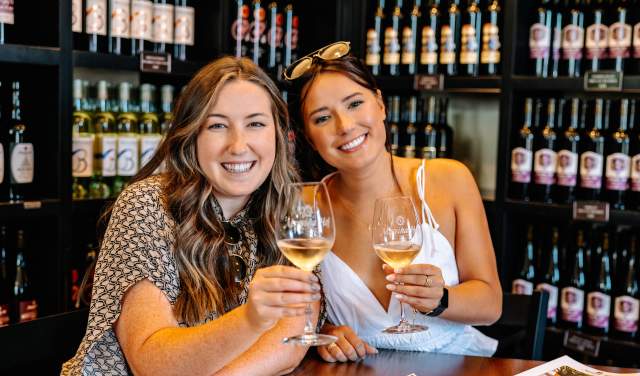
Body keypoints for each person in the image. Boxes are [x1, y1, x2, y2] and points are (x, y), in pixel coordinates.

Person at [62, 57, 321, 375]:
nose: (238, 146)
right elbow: (152, 363)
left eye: (255, 123)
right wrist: (252, 319)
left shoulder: (289, 209)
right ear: (192, 136)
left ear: (279, 135)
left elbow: (293, 333)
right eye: (217, 126)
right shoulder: (147, 206)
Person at [285, 42, 502, 362]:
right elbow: (291, 309)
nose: (345, 126)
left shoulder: (449, 180)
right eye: (322, 118)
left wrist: (440, 299)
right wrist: (325, 329)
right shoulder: (303, 205)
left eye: (355, 103)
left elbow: (490, 305)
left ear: (381, 105)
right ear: (309, 138)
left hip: (455, 367)